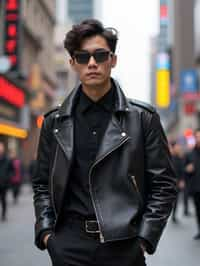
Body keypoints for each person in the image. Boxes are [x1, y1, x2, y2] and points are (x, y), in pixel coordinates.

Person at [32, 19, 177, 266]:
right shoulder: (54, 122)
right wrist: (47, 235)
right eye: (82, 57)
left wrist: (143, 240)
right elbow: (42, 184)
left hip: (124, 247)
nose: (92, 63)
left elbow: (163, 185)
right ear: (72, 64)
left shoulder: (143, 118)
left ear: (113, 60)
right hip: (68, 246)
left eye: (100, 55)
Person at [185, 128, 200, 240]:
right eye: (198, 136)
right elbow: (184, 169)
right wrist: (187, 169)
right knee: (198, 211)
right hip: (196, 188)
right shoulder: (190, 154)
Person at [170, 141, 185, 223]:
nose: (178, 148)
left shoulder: (180, 157)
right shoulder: (169, 157)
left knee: (176, 200)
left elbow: (181, 170)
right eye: (177, 146)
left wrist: (182, 180)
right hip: (170, 181)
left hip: (177, 181)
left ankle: (174, 216)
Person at [0, 142, 13, 221]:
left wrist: (8, 177)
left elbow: (11, 170)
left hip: (3, 184)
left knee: (3, 199)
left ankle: (3, 214)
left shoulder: (7, 159)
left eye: (1, 147)